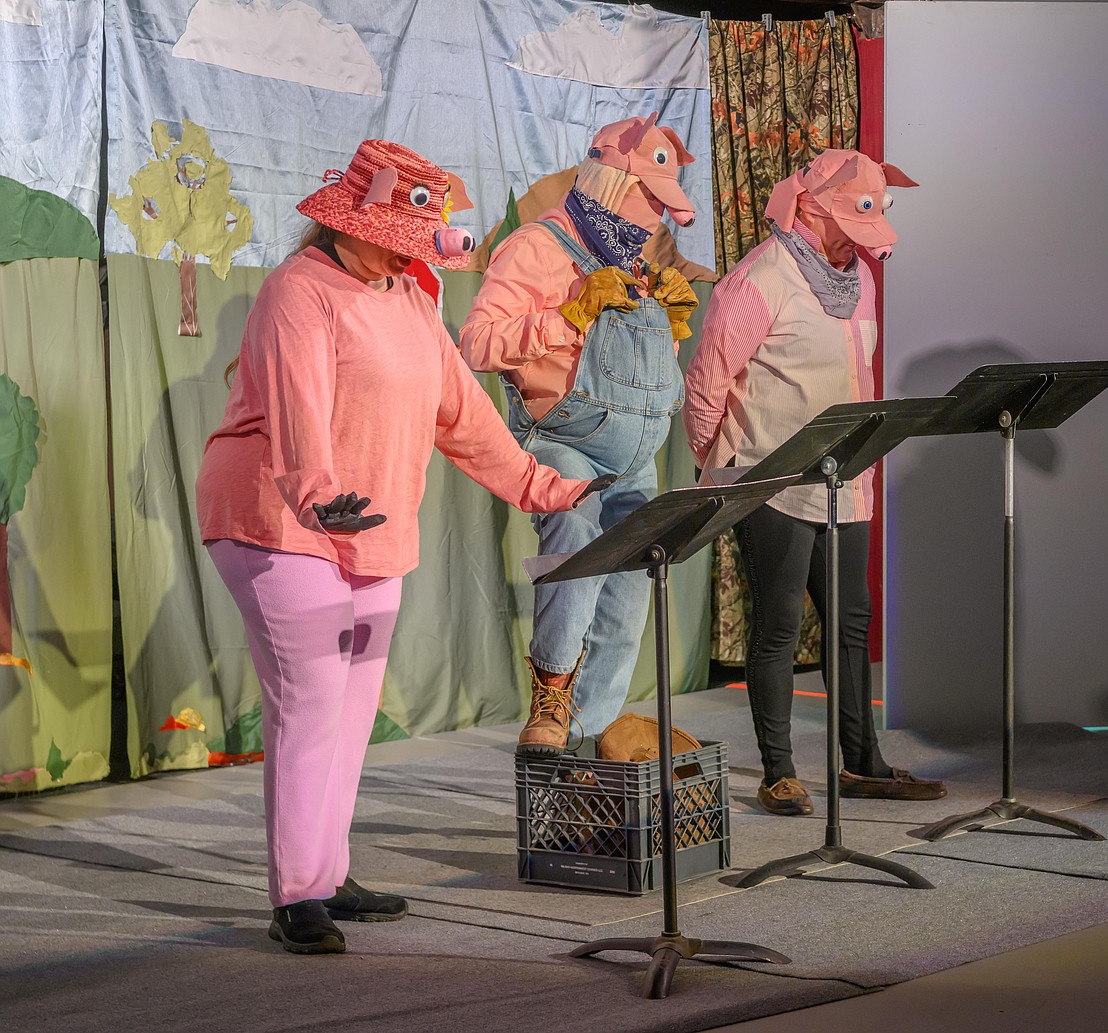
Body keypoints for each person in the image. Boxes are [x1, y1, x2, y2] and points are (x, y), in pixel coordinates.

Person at [195, 140, 611, 954]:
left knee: (351, 712)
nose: (407, 247)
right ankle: (297, 893)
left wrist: (546, 487)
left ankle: (327, 867)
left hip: (372, 525)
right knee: (310, 702)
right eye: (392, 230)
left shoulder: (412, 303)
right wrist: (315, 495)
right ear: (348, 223)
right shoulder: (299, 291)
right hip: (275, 518)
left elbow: (463, 417)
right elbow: (297, 411)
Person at [683, 148, 946, 815]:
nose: (869, 235)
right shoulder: (760, 280)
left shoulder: (859, 276)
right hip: (769, 475)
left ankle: (863, 762)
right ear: (815, 207)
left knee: (850, 621)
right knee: (777, 623)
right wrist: (720, 467)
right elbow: (708, 379)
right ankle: (779, 770)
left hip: (844, 473)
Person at [460, 113, 699, 755]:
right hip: (560, 438)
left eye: (663, 206)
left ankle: (586, 745)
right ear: (616, 186)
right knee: (576, 528)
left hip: (636, 455)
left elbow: (636, 374)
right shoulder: (536, 247)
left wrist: (668, 325)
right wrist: (568, 313)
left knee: (630, 585)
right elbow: (476, 344)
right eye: (651, 201)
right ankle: (551, 700)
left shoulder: (628, 258)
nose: (655, 220)